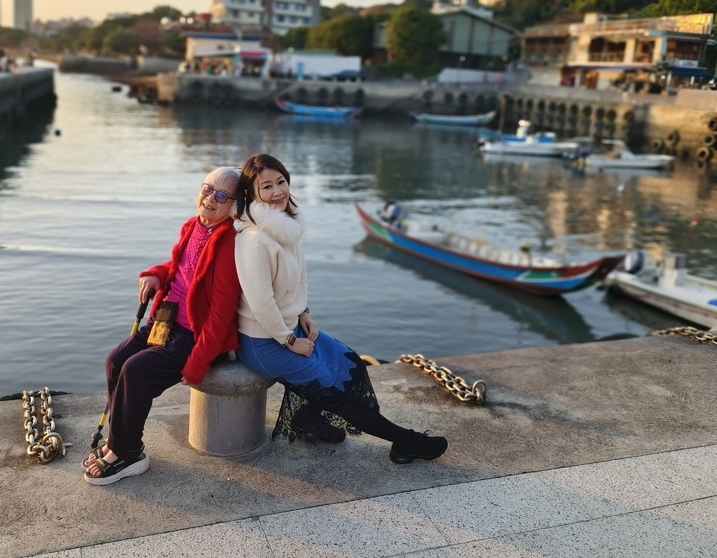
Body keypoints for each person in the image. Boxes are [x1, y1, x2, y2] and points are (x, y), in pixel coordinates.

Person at [234, 153, 448, 464]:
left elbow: (298, 279)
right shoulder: (254, 239)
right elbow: (260, 302)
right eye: (266, 187)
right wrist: (291, 341)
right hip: (263, 342)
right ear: (251, 194)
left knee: (350, 363)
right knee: (337, 392)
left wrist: (304, 315)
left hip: (289, 327)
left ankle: (308, 418)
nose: (278, 191)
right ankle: (406, 441)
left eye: (281, 181)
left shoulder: (286, 228)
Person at [83, 167, 242, 485]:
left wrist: (199, 362)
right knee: (117, 360)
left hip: (194, 337)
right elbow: (180, 269)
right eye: (207, 189)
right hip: (164, 320)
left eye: (221, 195)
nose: (210, 198)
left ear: (234, 206)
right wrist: (157, 273)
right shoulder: (194, 226)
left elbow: (221, 313)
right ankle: (120, 442)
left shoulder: (229, 244)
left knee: (137, 371)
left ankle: (126, 453)